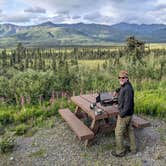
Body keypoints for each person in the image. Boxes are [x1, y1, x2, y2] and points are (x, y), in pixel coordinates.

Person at [111, 70, 137, 157]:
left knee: (118, 132)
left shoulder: (128, 90)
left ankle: (120, 151)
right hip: (129, 114)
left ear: (127, 78)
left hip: (125, 115)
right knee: (130, 130)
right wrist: (116, 91)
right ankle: (133, 149)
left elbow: (128, 105)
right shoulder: (126, 85)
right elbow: (121, 88)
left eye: (123, 77)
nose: (121, 79)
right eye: (119, 77)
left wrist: (121, 114)